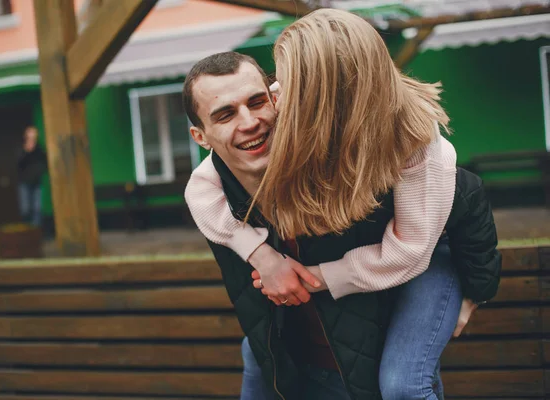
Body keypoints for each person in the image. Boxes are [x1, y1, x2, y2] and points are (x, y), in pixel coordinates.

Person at [183, 12, 500, 399]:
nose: (275, 97)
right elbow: (199, 189)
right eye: (275, 83)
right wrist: (264, 258)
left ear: (326, 92)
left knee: (403, 384)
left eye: (283, 85)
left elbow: (416, 247)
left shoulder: (415, 142)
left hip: (429, 256)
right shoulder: (290, 112)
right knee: (260, 350)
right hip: (361, 276)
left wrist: (472, 296)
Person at [17, 126, 47, 227]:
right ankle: (27, 230)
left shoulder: (39, 149)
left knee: (37, 209)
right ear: (25, 137)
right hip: (24, 183)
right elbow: (18, 163)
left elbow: (45, 162)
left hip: (37, 182)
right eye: (29, 136)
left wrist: (40, 172)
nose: (32, 139)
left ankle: (36, 231)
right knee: (25, 209)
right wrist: (26, 151)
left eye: (33, 136)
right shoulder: (21, 149)